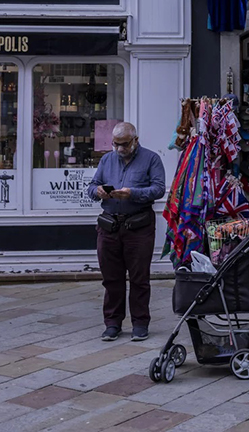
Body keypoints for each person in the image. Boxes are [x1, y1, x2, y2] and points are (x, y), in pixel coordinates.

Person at [87, 122, 165, 342]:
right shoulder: (106, 160)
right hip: (109, 226)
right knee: (111, 279)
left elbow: (159, 189)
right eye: (116, 144)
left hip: (138, 226)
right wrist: (98, 191)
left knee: (139, 278)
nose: (120, 149)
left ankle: (140, 323)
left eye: (124, 144)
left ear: (135, 140)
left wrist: (133, 194)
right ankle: (112, 323)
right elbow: (92, 186)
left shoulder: (151, 159)